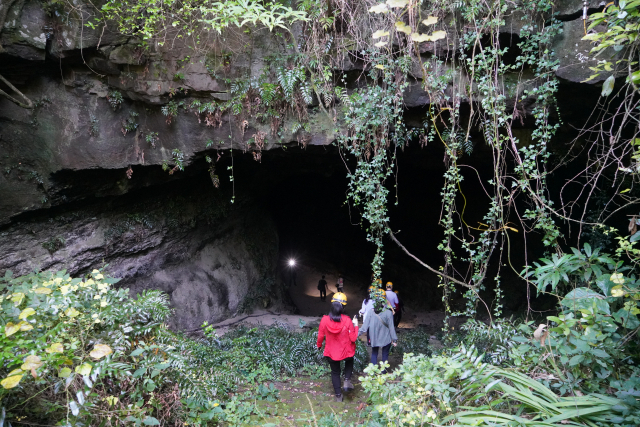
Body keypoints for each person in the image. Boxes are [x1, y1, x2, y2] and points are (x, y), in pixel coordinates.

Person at [317, 292, 359, 402]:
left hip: (331, 352)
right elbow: (353, 338)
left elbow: (321, 335)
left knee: (335, 372)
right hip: (345, 352)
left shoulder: (324, 320)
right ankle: (346, 380)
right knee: (350, 360)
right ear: (343, 306)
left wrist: (319, 346)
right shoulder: (347, 320)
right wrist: (356, 325)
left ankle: (338, 396)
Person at [359, 289, 397, 371]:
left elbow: (364, 327)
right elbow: (391, 327)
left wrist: (356, 334)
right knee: (385, 355)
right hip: (386, 338)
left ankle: (373, 372)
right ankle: (383, 372)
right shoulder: (388, 313)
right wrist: (394, 339)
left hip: (374, 338)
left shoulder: (370, 312)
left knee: (374, 353)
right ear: (385, 300)